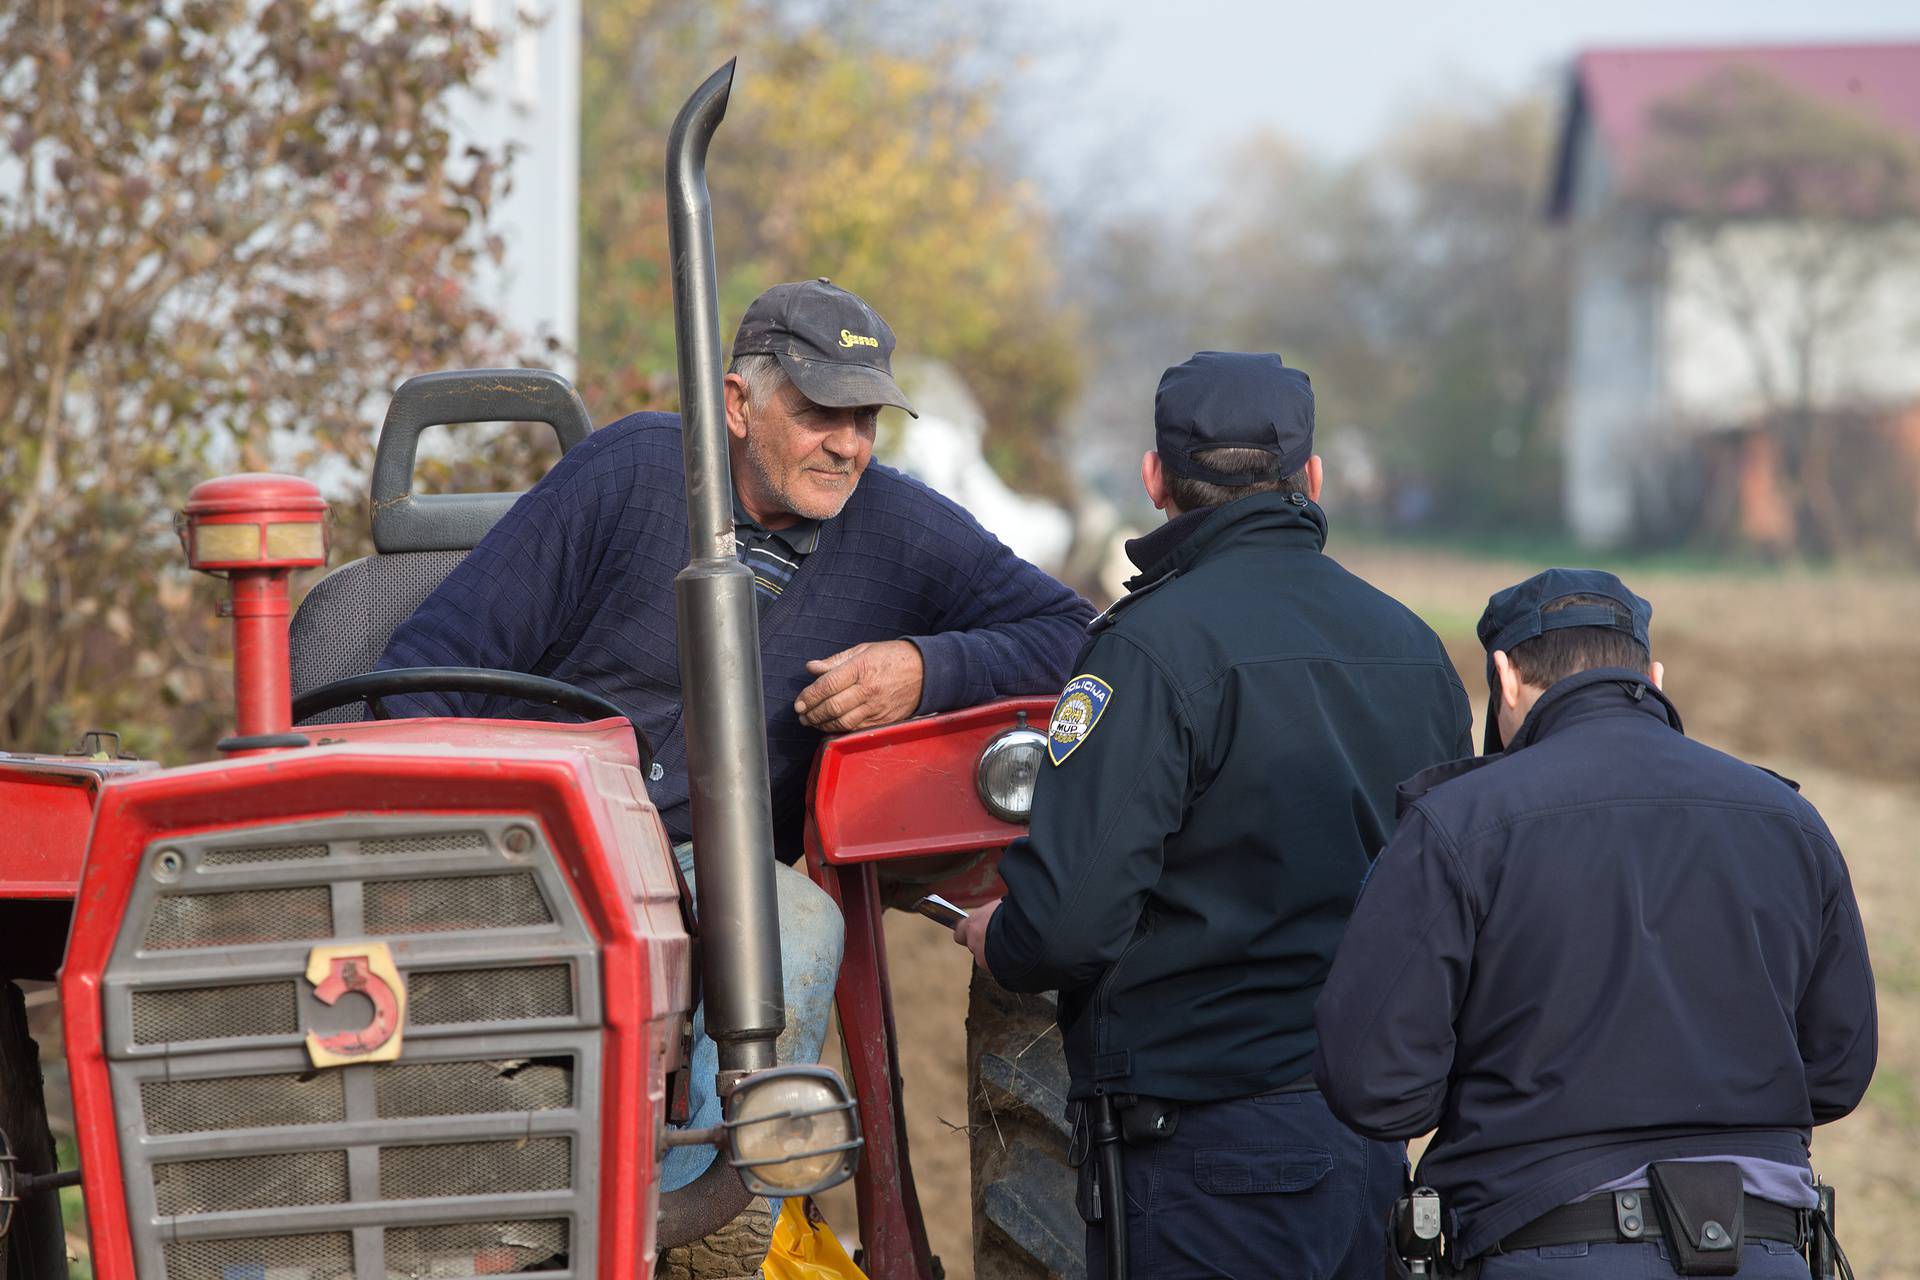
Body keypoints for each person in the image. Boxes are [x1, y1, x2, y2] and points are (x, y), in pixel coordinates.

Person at [376, 278, 1093, 1194]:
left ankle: (705, 1214)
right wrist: (453, 854)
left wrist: (926, 667)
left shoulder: (899, 526)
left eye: (867, 418)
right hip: (534, 846)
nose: (847, 444)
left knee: (797, 929)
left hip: (711, 874)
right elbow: (435, 667)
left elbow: (1076, 636)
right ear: (736, 403)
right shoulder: (631, 473)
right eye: (819, 411)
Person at [953, 350, 1475, 1280]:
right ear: (1310, 478)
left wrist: (1005, 940)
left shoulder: (1146, 650)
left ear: (1156, 480)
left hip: (1203, 1154)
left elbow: (1069, 925)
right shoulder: (1414, 650)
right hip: (1368, 1151)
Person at [1312, 569, 1877, 1278]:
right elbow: (1838, 1069)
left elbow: (1372, 1080)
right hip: (1764, 1247)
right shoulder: (1790, 821)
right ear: (1655, 675)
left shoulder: (1457, 823)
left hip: (1538, 1242)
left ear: (1505, 677)